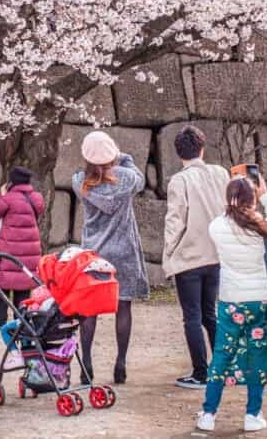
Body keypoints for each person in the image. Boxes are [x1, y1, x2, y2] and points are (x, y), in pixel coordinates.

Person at [197, 174, 267, 433]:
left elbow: (228, 220)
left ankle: (208, 414)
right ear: (253, 198)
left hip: (231, 301)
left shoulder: (216, 227)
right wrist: (266, 196)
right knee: (259, 354)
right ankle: (252, 414)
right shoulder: (264, 227)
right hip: (260, 301)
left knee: (222, 355)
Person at [71, 130, 148, 385]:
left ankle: (87, 365)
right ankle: (121, 363)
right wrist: (121, 156)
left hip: (94, 251)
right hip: (123, 250)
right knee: (123, 305)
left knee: (89, 310)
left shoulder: (79, 181)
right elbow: (139, 177)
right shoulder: (126, 178)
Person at [164, 125, 230, 389]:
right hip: (216, 254)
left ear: (180, 153)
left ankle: (201, 373)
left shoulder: (180, 180)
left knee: (192, 316)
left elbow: (175, 220)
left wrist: (169, 253)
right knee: (209, 314)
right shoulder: (220, 174)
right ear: (202, 148)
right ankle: (222, 368)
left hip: (189, 256)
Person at [0, 166, 44, 328]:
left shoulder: (8, 198)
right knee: (23, 285)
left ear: (12, 181)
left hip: (9, 248)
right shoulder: (36, 198)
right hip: (29, 250)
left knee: (2, 282)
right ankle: (21, 320)